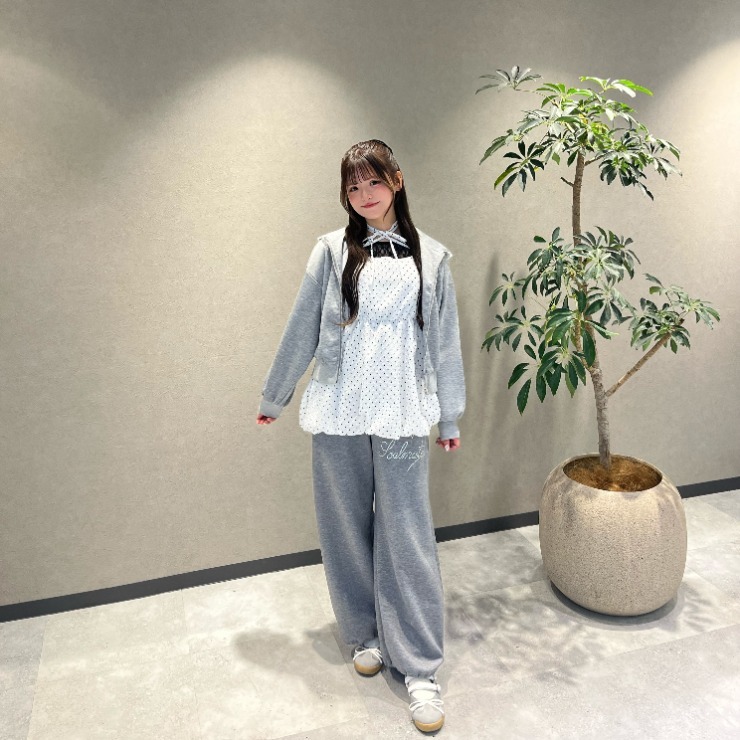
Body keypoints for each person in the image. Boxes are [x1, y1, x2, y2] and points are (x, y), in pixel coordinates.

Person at [256, 139, 465, 733]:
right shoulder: (329, 251)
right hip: (339, 409)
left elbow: (444, 341)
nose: (364, 194)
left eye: (373, 182)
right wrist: (276, 395)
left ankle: (419, 666)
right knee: (344, 527)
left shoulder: (433, 257)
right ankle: (364, 633)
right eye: (353, 187)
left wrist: (449, 416)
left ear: (397, 180)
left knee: (406, 535)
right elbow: (302, 323)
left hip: (402, 409)